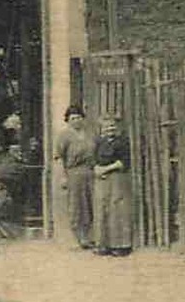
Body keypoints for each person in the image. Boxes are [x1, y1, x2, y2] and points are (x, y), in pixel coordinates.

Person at [54, 105, 97, 249]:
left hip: (90, 173)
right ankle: (77, 238)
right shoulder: (64, 136)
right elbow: (59, 158)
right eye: (73, 118)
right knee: (76, 205)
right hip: (74, 173)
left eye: (79, 117)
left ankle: (90, 236)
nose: (76, 121)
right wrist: (63, 177)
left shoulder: (90, 134)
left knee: (90, 205)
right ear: (68, 120)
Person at [92, 115, 133, 256]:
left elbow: (123, 162)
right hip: (101, 179)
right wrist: (97, 169)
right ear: (102, 129)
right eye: (107, 127)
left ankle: (120, 245)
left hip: (117, 177)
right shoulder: (99, 142)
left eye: (113, 126)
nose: (110, 129)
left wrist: (106, 169)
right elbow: (94, 158)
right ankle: (103, 244)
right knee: (102, 210)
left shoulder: (122, 142)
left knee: (117, 210)